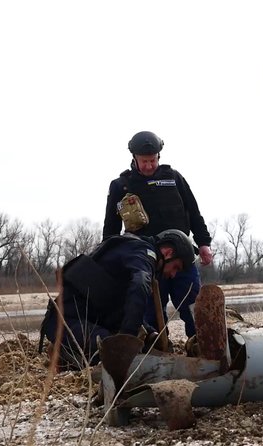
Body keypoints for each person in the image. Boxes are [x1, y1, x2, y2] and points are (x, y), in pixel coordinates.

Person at [103, 131, 213, 338]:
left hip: (181, 257)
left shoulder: (173, 178)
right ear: (134, 158)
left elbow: (194, 213)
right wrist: (108, 261)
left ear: (158, 157)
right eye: (144, 161)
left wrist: (204, 243)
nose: (148, 166)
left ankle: (200, 345)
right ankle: (160, 350)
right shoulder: (121, 186)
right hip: (146, 263)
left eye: (152, 160)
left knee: (193, 306)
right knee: (150, 313)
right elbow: (110, 229)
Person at [40, 229, 198, 370]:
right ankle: (62, 353)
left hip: (89, 318)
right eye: (176, 267)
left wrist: (150, 333)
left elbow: (118, 307)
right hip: (65, 322)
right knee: (114, 351)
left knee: (139, 348)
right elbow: (140, 284)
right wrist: (127, 339)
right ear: (169, 253)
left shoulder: (133, 250)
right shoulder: (144, 252)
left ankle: (70, 353)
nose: (173, 275)